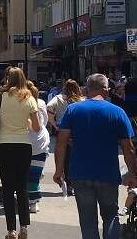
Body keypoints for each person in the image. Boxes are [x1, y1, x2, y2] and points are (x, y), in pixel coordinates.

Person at [54, 74, 137, 239]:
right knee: (111, 217)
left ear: (87, 89)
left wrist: (59, 170)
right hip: (108, 174)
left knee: (87, 221)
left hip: (80, 173)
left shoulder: (73, 110)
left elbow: (61, 143)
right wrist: (133, 174)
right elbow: (129, 149)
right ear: (105, 90)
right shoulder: (118, 112)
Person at [0, 67, 42, 239]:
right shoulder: (29, 98)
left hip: (3, 145)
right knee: (22, 187)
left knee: (8, 188)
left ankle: (11, 230)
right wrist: (24, 121)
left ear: (7, 79)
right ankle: (24, 227)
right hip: (23, 146)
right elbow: (37, 127)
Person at [48, 79, 84, 194]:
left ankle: (69, 185)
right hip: (79, 132)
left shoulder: (58, 98)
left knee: (66, 159)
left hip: (63, 131)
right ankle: (78, 182)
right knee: (79, 157)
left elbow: (49, 107)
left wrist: (54, 124)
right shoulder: (82, 100)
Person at [27, 81, 50, 214]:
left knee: (25, 173)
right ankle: (33, 202)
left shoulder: (22, 104)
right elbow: (45, 121)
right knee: (34, 175)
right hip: (40, 143)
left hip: (25, 143)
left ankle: (28, 199)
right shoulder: (41, 103)